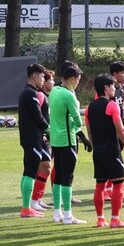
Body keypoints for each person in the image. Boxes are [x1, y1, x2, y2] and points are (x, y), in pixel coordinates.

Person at [85, 75, 124, 228]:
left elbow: (90, 133)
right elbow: (121, 131)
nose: (114, 89)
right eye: (112, 86)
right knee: (119, 183)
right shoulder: (112, 106)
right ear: (106, 88)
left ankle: (100, 219)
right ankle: (115, 219)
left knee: (100, 184)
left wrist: (95, 147)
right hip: (112, 151)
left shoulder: (89, 108)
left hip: (98, 151)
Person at [49, 64, 86, 224]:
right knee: (67, 178)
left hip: (56, 140)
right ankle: (68, 215)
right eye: (78, 80)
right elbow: (78, 121)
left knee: (58, 176)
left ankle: (57, 213)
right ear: (72, 79)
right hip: (68, 140)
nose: (78, 83)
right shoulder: (69, 96)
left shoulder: (54, 91)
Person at [17, 63, 50, 218]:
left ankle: (26, 207)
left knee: (27, 173)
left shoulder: (26, 92)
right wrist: (50, 130)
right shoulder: (30, 94)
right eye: (42, 76)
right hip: (32, 138)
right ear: (34, 77)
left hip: (29, 138)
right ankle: (26, 209)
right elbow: (38, 117)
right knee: (30, 173)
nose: (43, 79)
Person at [100, 61, 124, 202]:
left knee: (117, 155)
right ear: (114, 74)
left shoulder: (123, 88)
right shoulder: (105, 91)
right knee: (110, 158)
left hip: (119, 126)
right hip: (108, 128)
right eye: (122, 72)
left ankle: (110, 189)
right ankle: (104, 188)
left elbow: (121, 107)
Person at [30, 69, 55, 211]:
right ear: (44, 82)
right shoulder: (39, 95)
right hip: (41, 137)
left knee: (45, 168)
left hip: (46, 136)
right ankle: (34, 200)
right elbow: (36, 115)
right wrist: (42, 132)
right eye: (51, 80)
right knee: (45, 167)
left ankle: (38, 199)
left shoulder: (47, 96)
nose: (53, 82)